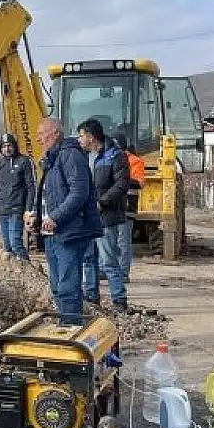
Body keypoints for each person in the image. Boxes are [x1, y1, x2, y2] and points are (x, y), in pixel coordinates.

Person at [29, 118, 103, 326]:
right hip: (53, 234)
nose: (37, 138)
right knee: (57, 286)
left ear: (55, 133)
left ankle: (71, 331)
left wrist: (55, 217)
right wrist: (37, 215)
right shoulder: (52, 159)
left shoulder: (70, 155)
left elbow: (79, 193)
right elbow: (50, 194)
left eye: (41, 133)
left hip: (70, 232)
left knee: (68, 287)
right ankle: (66, 326)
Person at [77, 119, 131, 312]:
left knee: (108, 259)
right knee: (88, 258)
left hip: (106, 216)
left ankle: (119, 299)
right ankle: (91, 296)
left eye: (81, 135)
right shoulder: (82, 156)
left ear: (91, 137)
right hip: (87, 216)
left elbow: (121, 184)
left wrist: (102, 202)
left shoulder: (115, 156)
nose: (79, 139)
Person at [0, 133, 37, 261]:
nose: (7, 149)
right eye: (3, 146)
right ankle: (15, 274)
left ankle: (28, 269)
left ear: (14, 146)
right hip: (2, 211)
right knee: (7, 246)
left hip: (16, 210)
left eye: (9, 146)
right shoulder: (0, 165)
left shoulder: (24, 162)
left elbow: (31, 187)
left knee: (15, 244)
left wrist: (28, 209)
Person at [118, 138, 145, 282]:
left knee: (123, 241)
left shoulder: (135, 161)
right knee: (109, 240)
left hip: (127, 207)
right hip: (112, 206)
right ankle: (108, 269)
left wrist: (121, 179)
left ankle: (122, 272)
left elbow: (140, 183)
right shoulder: (108, 159)